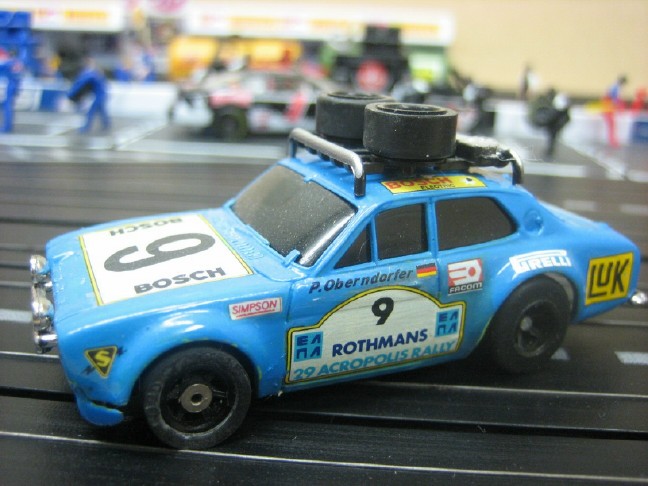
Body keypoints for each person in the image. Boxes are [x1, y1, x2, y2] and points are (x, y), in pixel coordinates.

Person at [68, 58, 110, 133]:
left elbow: (81, 83)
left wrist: (71, 93)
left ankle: (86, 128)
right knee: (102, 111)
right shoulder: (97, 73)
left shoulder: (92, 74)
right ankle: (106, 125)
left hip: (100, 96)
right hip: (101, 95)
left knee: (91, 112)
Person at [0, 49, 23, 133]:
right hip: (16, 85)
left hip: (11, 85)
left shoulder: (10, 63)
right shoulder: (19, 62)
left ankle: (7, 127)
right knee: (9, 105)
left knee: (7, 106)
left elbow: (2, 67)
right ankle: (8, 126)